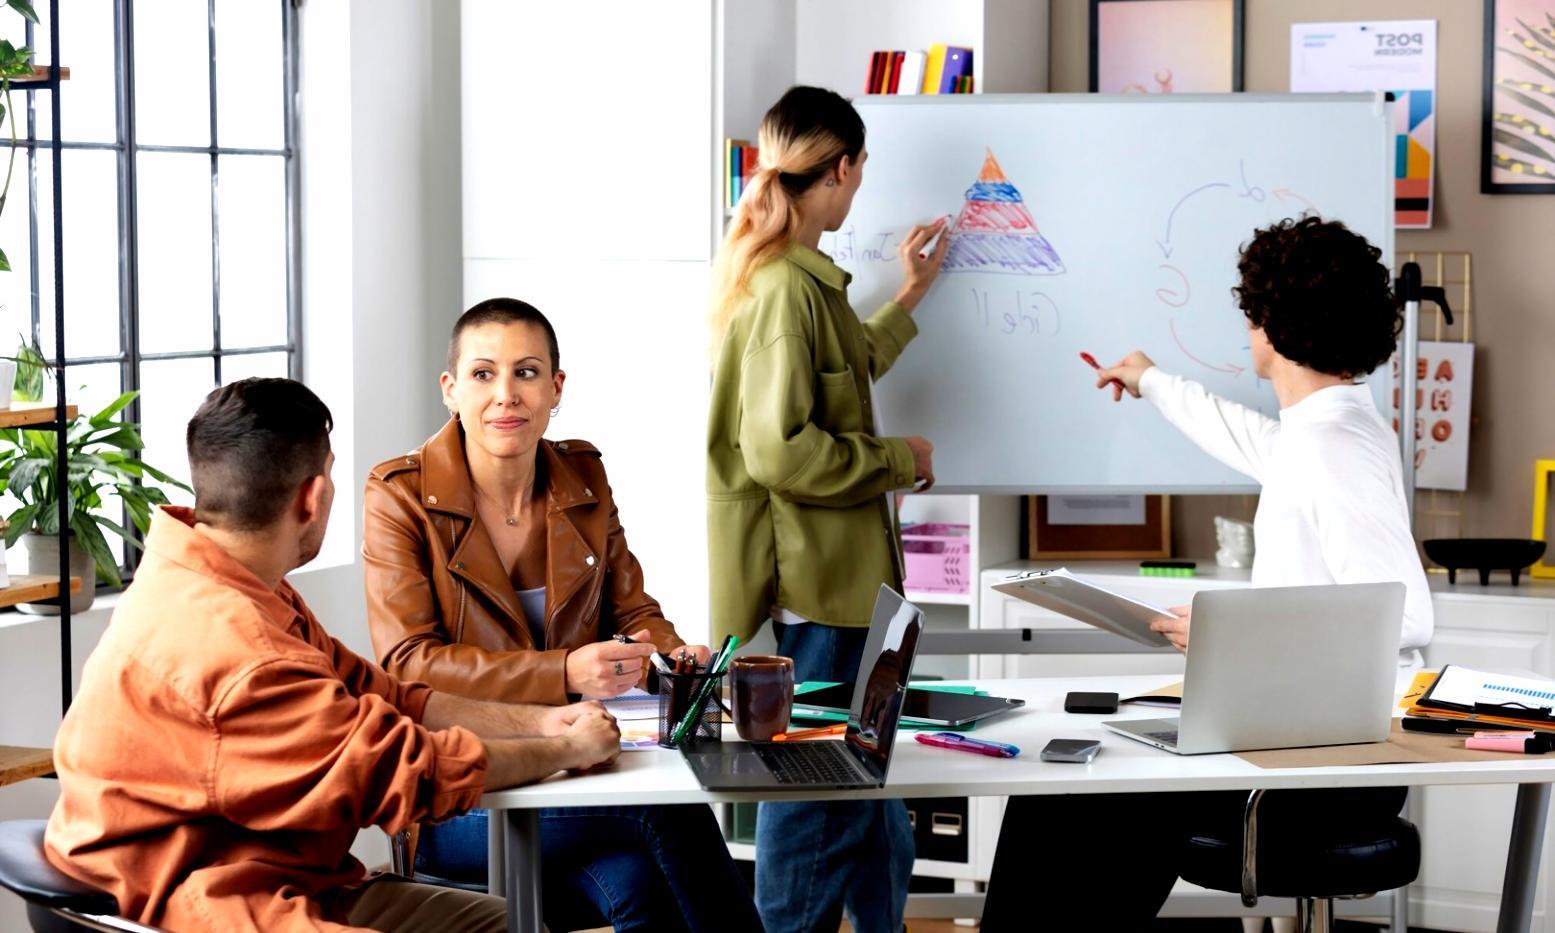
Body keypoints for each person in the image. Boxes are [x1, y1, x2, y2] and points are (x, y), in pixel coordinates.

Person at [980, 215, 1433, 929]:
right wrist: (1150, 379)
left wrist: (1229, 638)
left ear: (1272, 324)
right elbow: (1245, 435)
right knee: (1064, 784)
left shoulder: (1333, 447)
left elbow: (1407, 617)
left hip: (1318, 770)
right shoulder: (1325, 430)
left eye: (1250, 312)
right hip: (1300, 739)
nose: (1246, 326)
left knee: (1066, 789)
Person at [45, 378, 622, 933]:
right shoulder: (244, 651)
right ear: (313, 496)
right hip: (203, 896)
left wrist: (542, 720)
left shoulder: (218, 578)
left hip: (262, 868)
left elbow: (388, 696)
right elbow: (406, 771)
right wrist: (563, 748)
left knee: (511, 922)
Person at [363, 298, 761, 932]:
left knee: (638, 879)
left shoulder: (582, 474)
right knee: (671, 812)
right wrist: (566, 671)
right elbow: (410, 664)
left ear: (556, 387)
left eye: (526, 372)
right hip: (464, 791)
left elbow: (633, 607)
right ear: (450, 390)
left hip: (581, 764)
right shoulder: (399, 495)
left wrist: (672, 651)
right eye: (483, 374)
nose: (506, 396)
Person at [706, 84, 949, 933]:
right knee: (818, 806)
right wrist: (896, 461)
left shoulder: (804, 283)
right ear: (841, 169)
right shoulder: (782, 290)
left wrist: (909, 295)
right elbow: (777, 451)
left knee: (871, 809)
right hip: (825, 591)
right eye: (859, 172)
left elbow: (838, 378)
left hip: (852, 589)